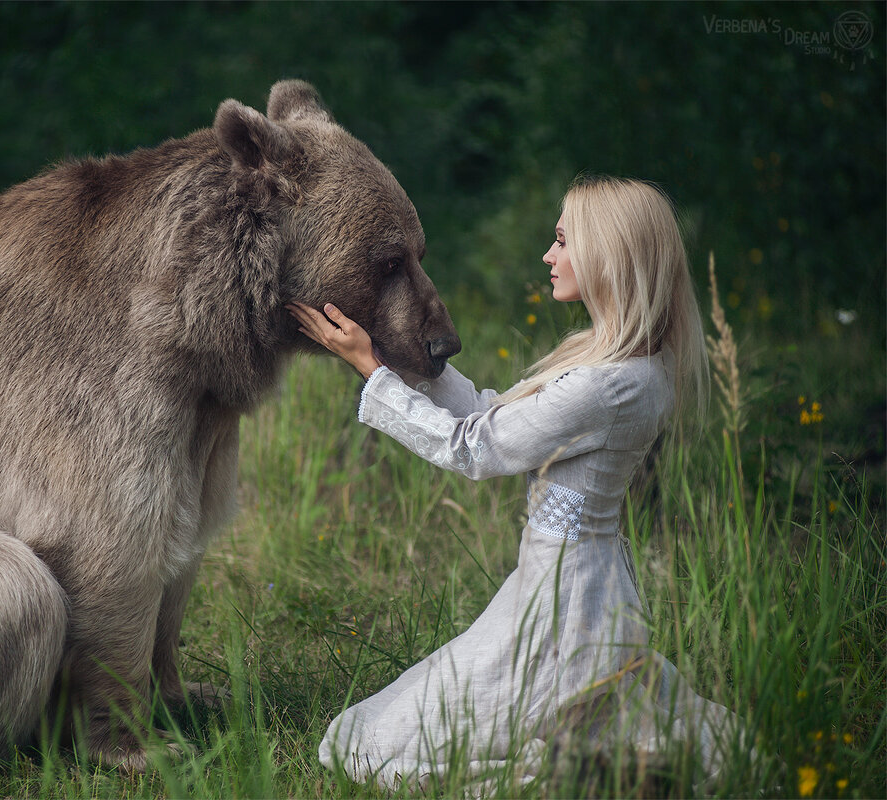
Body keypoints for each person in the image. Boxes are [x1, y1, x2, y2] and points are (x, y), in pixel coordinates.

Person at [287, 175, 742, 790]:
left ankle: (599, 768)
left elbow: (473, 448)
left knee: (378, 744)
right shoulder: (629, 367)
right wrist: (413, 359)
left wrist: (371, 369)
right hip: (571, 585)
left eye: (563, 241)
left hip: (566, 603)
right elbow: (492, 415)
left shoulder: (606, 385)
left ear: (609, 254)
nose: (548, 258)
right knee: (381, 729)